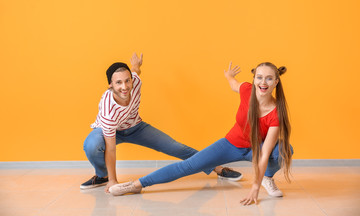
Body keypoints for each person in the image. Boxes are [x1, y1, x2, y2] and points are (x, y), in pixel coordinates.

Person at [109, 61, 294, 205]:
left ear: (276, 82)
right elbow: (233, 84)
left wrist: (255, 186)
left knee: (285, 149)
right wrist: (229, 76)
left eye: (269, 78)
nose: (263, 82)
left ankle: (266, 178)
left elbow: (265, 154)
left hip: (256, 149)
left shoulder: (276, 112)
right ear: (254, 79)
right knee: (188, 166)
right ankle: (136, 185)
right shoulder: (247, 90)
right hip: (231, 144)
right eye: (259, 77)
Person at [81, 53, 242, 192]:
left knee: (176, 147)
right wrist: (113, 181)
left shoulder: (136, 83)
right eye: (118, 83)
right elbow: (110, 149)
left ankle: (217, 168)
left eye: (127, 81)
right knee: (91, 145)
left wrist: (136, 65)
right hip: (109, 131)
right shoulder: (109, 108)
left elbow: (136, 71)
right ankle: (103, 176)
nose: (125, 87)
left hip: (136, 127)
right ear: (110, 85)